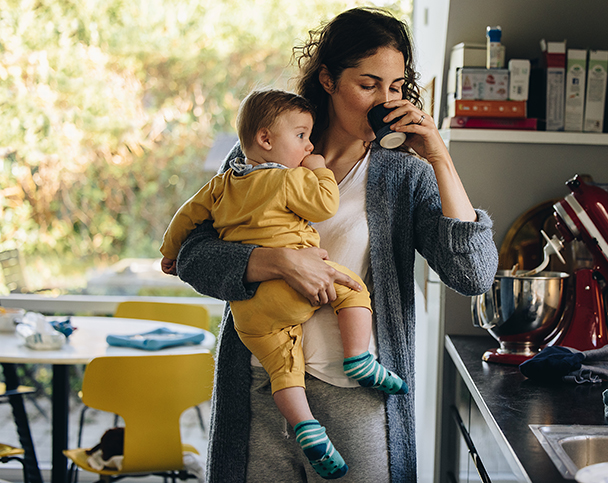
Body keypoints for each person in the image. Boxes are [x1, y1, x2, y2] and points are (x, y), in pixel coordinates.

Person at [175, 7, 499, 483]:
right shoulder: (261, 155)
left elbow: (473, 274)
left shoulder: (405, 176)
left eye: (395, 87)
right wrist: (275, 261)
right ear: (327, 79)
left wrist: (440, 159)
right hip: (260, 392)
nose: (383, 101)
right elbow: (191, 256)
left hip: (357, 399)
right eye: (368, 85)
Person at [159, 88, 407, 479]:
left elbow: (183, 221)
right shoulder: (289, 179)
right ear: (266, 139)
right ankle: (359, 357)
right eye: (368, 83)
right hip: (288, 305)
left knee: (283, 370)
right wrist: (318, 169)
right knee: (351, 286)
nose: (307, 144)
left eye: (396, 86)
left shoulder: (224, 183)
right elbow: (324, 205)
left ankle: (307, 428)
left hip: (253, 320)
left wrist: (168, 251)